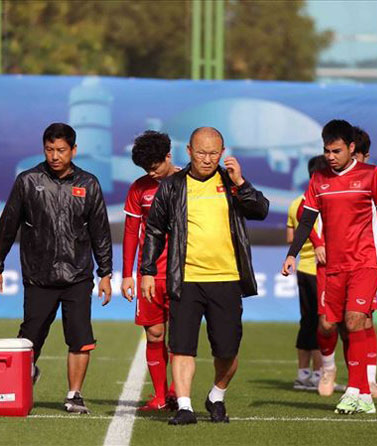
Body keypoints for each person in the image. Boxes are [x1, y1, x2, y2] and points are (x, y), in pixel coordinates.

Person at [140, 127, 269, 425]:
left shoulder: (231, 182)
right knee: (181, 346)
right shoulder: (172, 186)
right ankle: (184, 406)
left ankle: (216, 396)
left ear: (222, 153)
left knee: (227, 350)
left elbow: (260, 210)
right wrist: (147, 271)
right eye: (201, 153)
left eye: (213, 153)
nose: (207, 159)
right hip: (185, 279)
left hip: (227, 279)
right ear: (188, 151)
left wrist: (241, 183)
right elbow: (155, 230)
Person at [282, 119, 377, 415]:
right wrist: (292, 254)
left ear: (352, 148)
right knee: (330, 324)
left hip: (365, 262)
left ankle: (354, 389)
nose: (330, 156)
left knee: (354, 321)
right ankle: (363, 394)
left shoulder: (371, 175)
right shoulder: (319, 180)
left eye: (336, 150)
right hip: (334, 266)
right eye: (326, 150)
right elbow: (308, 220)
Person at [0, 123, 112, 414]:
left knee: (80, 338)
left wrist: (105, 273)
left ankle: (74, 395)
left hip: (78, 275)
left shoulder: (89, 183)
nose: (55, 156)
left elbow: (101, 232)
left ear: (73, 150)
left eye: (61, 150)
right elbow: (7, 226)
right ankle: (20, 382)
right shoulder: (27, 181)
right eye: (49, 149)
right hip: (38, 275)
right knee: (29, 338)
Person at [121, 130, 178, 411]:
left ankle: (178, 392)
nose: (151, 173)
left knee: (181, 336)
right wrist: (126, 274)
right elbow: (131, 232)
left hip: (184, 273)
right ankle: (159, 396)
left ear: (168, 156)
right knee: (155, 334)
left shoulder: (189, 183)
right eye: (146, 169)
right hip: (150, 275)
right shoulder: (138, 188)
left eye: (154, 166)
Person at [286, 156, 325, 391]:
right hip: (320, 269)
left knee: (307, 322)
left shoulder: (294, 203)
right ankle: (321, 373)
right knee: (323, 323)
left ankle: (303, 374)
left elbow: (290, 238)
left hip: (303, 267)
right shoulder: (322, 200)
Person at [351, 126, 377, 398]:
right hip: (340, 263)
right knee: (342, 323)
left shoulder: (371, 181)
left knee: (365, 320)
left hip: (366, 261)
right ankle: (356, 383)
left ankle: (368, 381)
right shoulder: (335, 181)